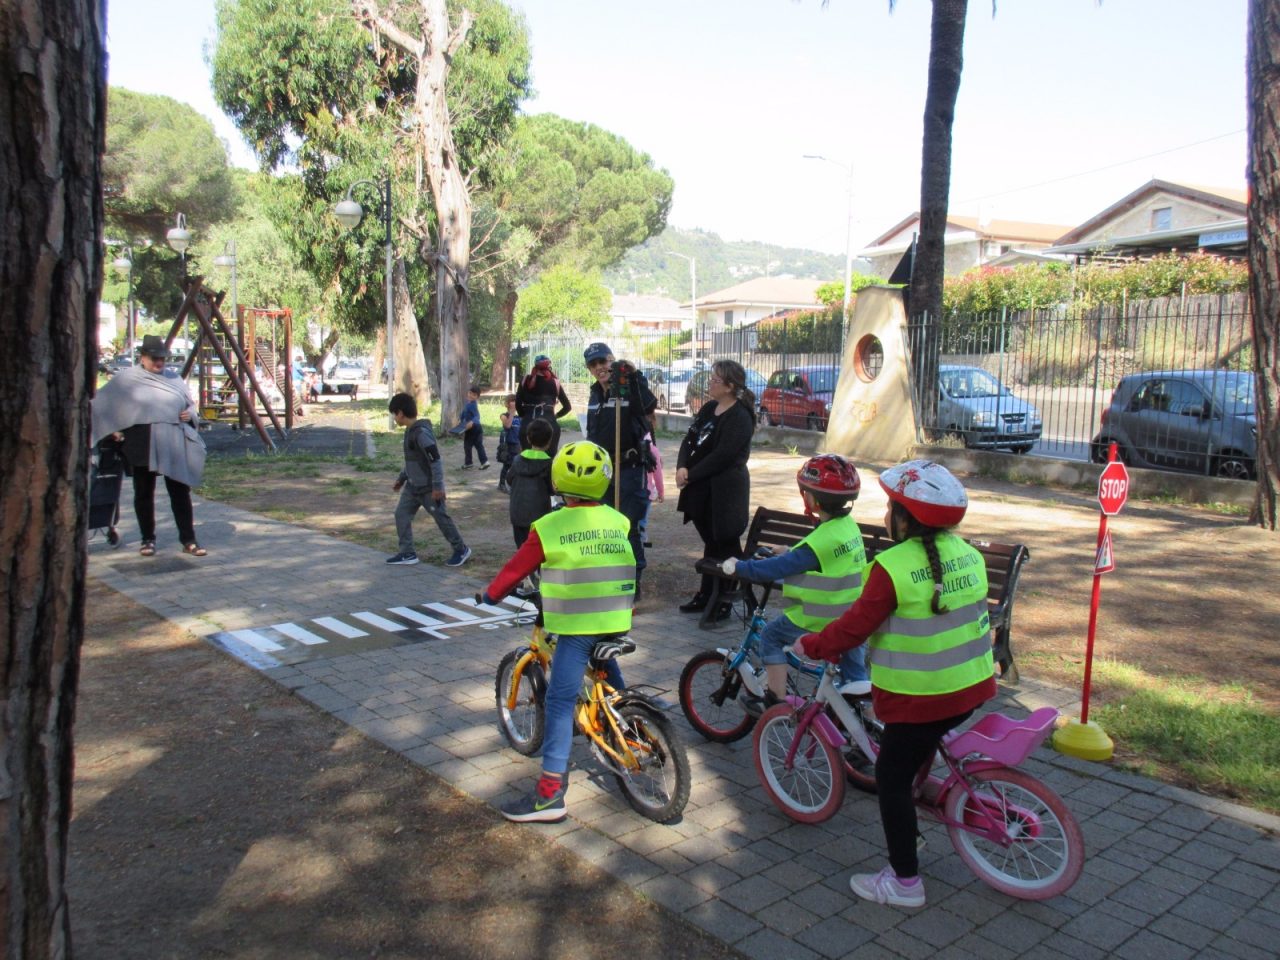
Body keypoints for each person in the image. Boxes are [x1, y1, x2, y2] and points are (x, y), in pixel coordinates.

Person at [793, 460, 996, 909]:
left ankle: (905, 882)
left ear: (905, 517)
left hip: (920, 697)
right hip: (972, 689)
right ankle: (919, 809)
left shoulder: (891, 567)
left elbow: (853, 630)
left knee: (890, 776)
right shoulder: (970, 554)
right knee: (913, 756)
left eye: (891, 507)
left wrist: (814, 644)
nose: (886, 516)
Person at [480, 440, 635, 823]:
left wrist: (491, 594)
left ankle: (550, 796)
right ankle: (629, 718)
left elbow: (516, 569)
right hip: (616, 617)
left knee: (560, 702)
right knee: (606, 677)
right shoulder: (619, 520)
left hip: (577, 626)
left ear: (557, 481)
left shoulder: (549, 527)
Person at [722, 454, 868, 714]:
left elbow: (778, 569)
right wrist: (788, 550)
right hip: (853, 616)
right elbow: (821, 556)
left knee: (770, 636)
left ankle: (775, 702)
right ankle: (869, 728)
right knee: (856, 679)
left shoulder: (824, 537)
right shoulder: (846, 527)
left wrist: (740, 567)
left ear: (811, 498)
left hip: (820, 617)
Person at [91, 335, 208, 557]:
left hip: (173, 439)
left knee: (180, 491)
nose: (159, 363)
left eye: (163, 358)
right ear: (142, 357)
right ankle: (148, 539)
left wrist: (190, 414)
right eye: (154, 358)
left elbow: (191, 406)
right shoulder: (127, 379)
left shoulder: (174, 379)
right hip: (140, 441)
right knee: (144, 492)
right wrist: (113, 430)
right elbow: (102, 406)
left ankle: (189, 539)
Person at [675, 359, 756, 621]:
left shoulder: (740, 416)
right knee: (711, 543)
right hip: (700, 489)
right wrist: (681, 467)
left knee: (726, 543)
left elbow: (723, 456)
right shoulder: (710, 408)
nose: (709, 382)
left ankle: (724, 598)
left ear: (730, 386)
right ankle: (707, 595)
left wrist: (691, 474)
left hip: (725, 493)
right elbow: (690, 438)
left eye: (715, 379)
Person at [584, 342, 657, 599]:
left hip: (629, 467)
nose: (599, 368)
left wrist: (634, 377)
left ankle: (633, 581)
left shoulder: (628, 386)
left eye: (603, 361)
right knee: (605, 525)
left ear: (612, 360)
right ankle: (610, 576)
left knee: (628, 525)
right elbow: (592, 432)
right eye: (593, 365)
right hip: (604, 470)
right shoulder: (595, 394)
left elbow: (647, 406)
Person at [387, 392, 472, 568]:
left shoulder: (421, 433)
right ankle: (407, 552)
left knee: (441, 518)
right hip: (412, 487)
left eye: (394, 414)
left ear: (401, 413)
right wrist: (401, 479)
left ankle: (461, 549)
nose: (394, 418)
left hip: (428, 488)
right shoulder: (410, 432)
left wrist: (437, 487)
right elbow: (413, 461)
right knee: (401, 514)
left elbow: (435, 460)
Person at [508, 416, 554, 548]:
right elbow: (552, 489)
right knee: (538, 549)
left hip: (518, 514)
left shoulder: (517, 460)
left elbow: (509, 479)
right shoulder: (548, 464)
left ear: (528, 438)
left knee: (521, 548)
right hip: (539, 517)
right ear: (549, 442)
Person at [515, 354, 571, 455]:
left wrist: (526, 416)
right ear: (549, 366)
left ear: (535, 366)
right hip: (550, 425)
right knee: (549, 461)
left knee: (527, 460)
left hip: (528, 425)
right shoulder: (555, 382)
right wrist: (555, 416)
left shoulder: (525, 380)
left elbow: (518, 405)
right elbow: (567, 407)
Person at [448, 385, 489, 469]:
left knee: (473, 445)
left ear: (477, 397)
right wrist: (461, 419)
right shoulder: (468, 403)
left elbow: (477, 416)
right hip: (472, 429)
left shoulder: (473, 405)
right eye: (470, 393)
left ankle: (477, 462)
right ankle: (476, 462)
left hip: (474, 428)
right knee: (472, 445)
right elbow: (464, 413)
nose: (471, 395)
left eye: (474, 395)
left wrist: (472, 422)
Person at [639, 430, 664, 549]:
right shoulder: (653, 449)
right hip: (647, 492)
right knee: (642, 522)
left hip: (631, 490)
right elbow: (658, 473)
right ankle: (641, 547)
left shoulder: (629, 445)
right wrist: (661, 492)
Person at [497, 394, 522, 494]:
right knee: (507, 465)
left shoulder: (521, 416)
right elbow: (507, 425)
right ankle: (502, 484)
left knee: (517, 465)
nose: (515, 403)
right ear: (507, 404)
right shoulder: (504, 415)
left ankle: (514, 485)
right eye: (513, 401)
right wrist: (511, 412)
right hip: (509, 445)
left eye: (516, 401)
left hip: (518, 444)